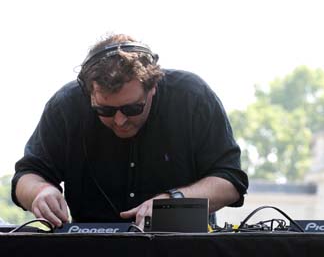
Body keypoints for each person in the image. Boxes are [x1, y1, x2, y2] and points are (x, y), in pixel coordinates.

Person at [11, 34, 248, 227]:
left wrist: (174, 202)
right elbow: (27, 175)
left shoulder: (192, 97)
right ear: (89, 93)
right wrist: (40, 192)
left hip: (181, 247)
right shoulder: (65, 105)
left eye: (132, 108)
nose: (120, 120)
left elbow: (230, 181)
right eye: (105, 110)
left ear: (153, 87)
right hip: (90, 249)